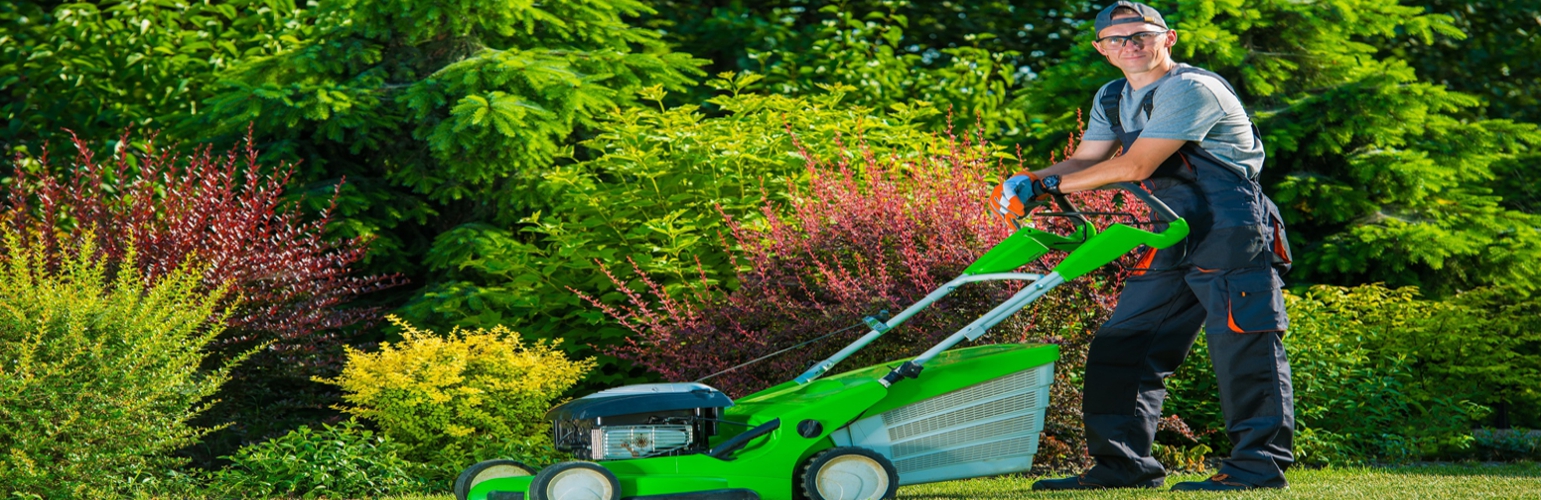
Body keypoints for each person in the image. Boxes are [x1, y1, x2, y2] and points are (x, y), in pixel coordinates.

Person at [992, 1, 1296, 492]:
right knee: (1126, 341)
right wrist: (1029, 181)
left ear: (1168, 38)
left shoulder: (1191, 88)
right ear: (1102, 49)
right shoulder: (1113, 96)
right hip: (1170, 229)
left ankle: (1256, 469)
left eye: (1141, 34)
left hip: (1233, 230)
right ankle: (1122, 465)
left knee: (1243, 341)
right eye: (1116, 39)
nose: (1129, 45)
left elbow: (1135, 166)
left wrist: (1052, 190)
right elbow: (1084, 160)